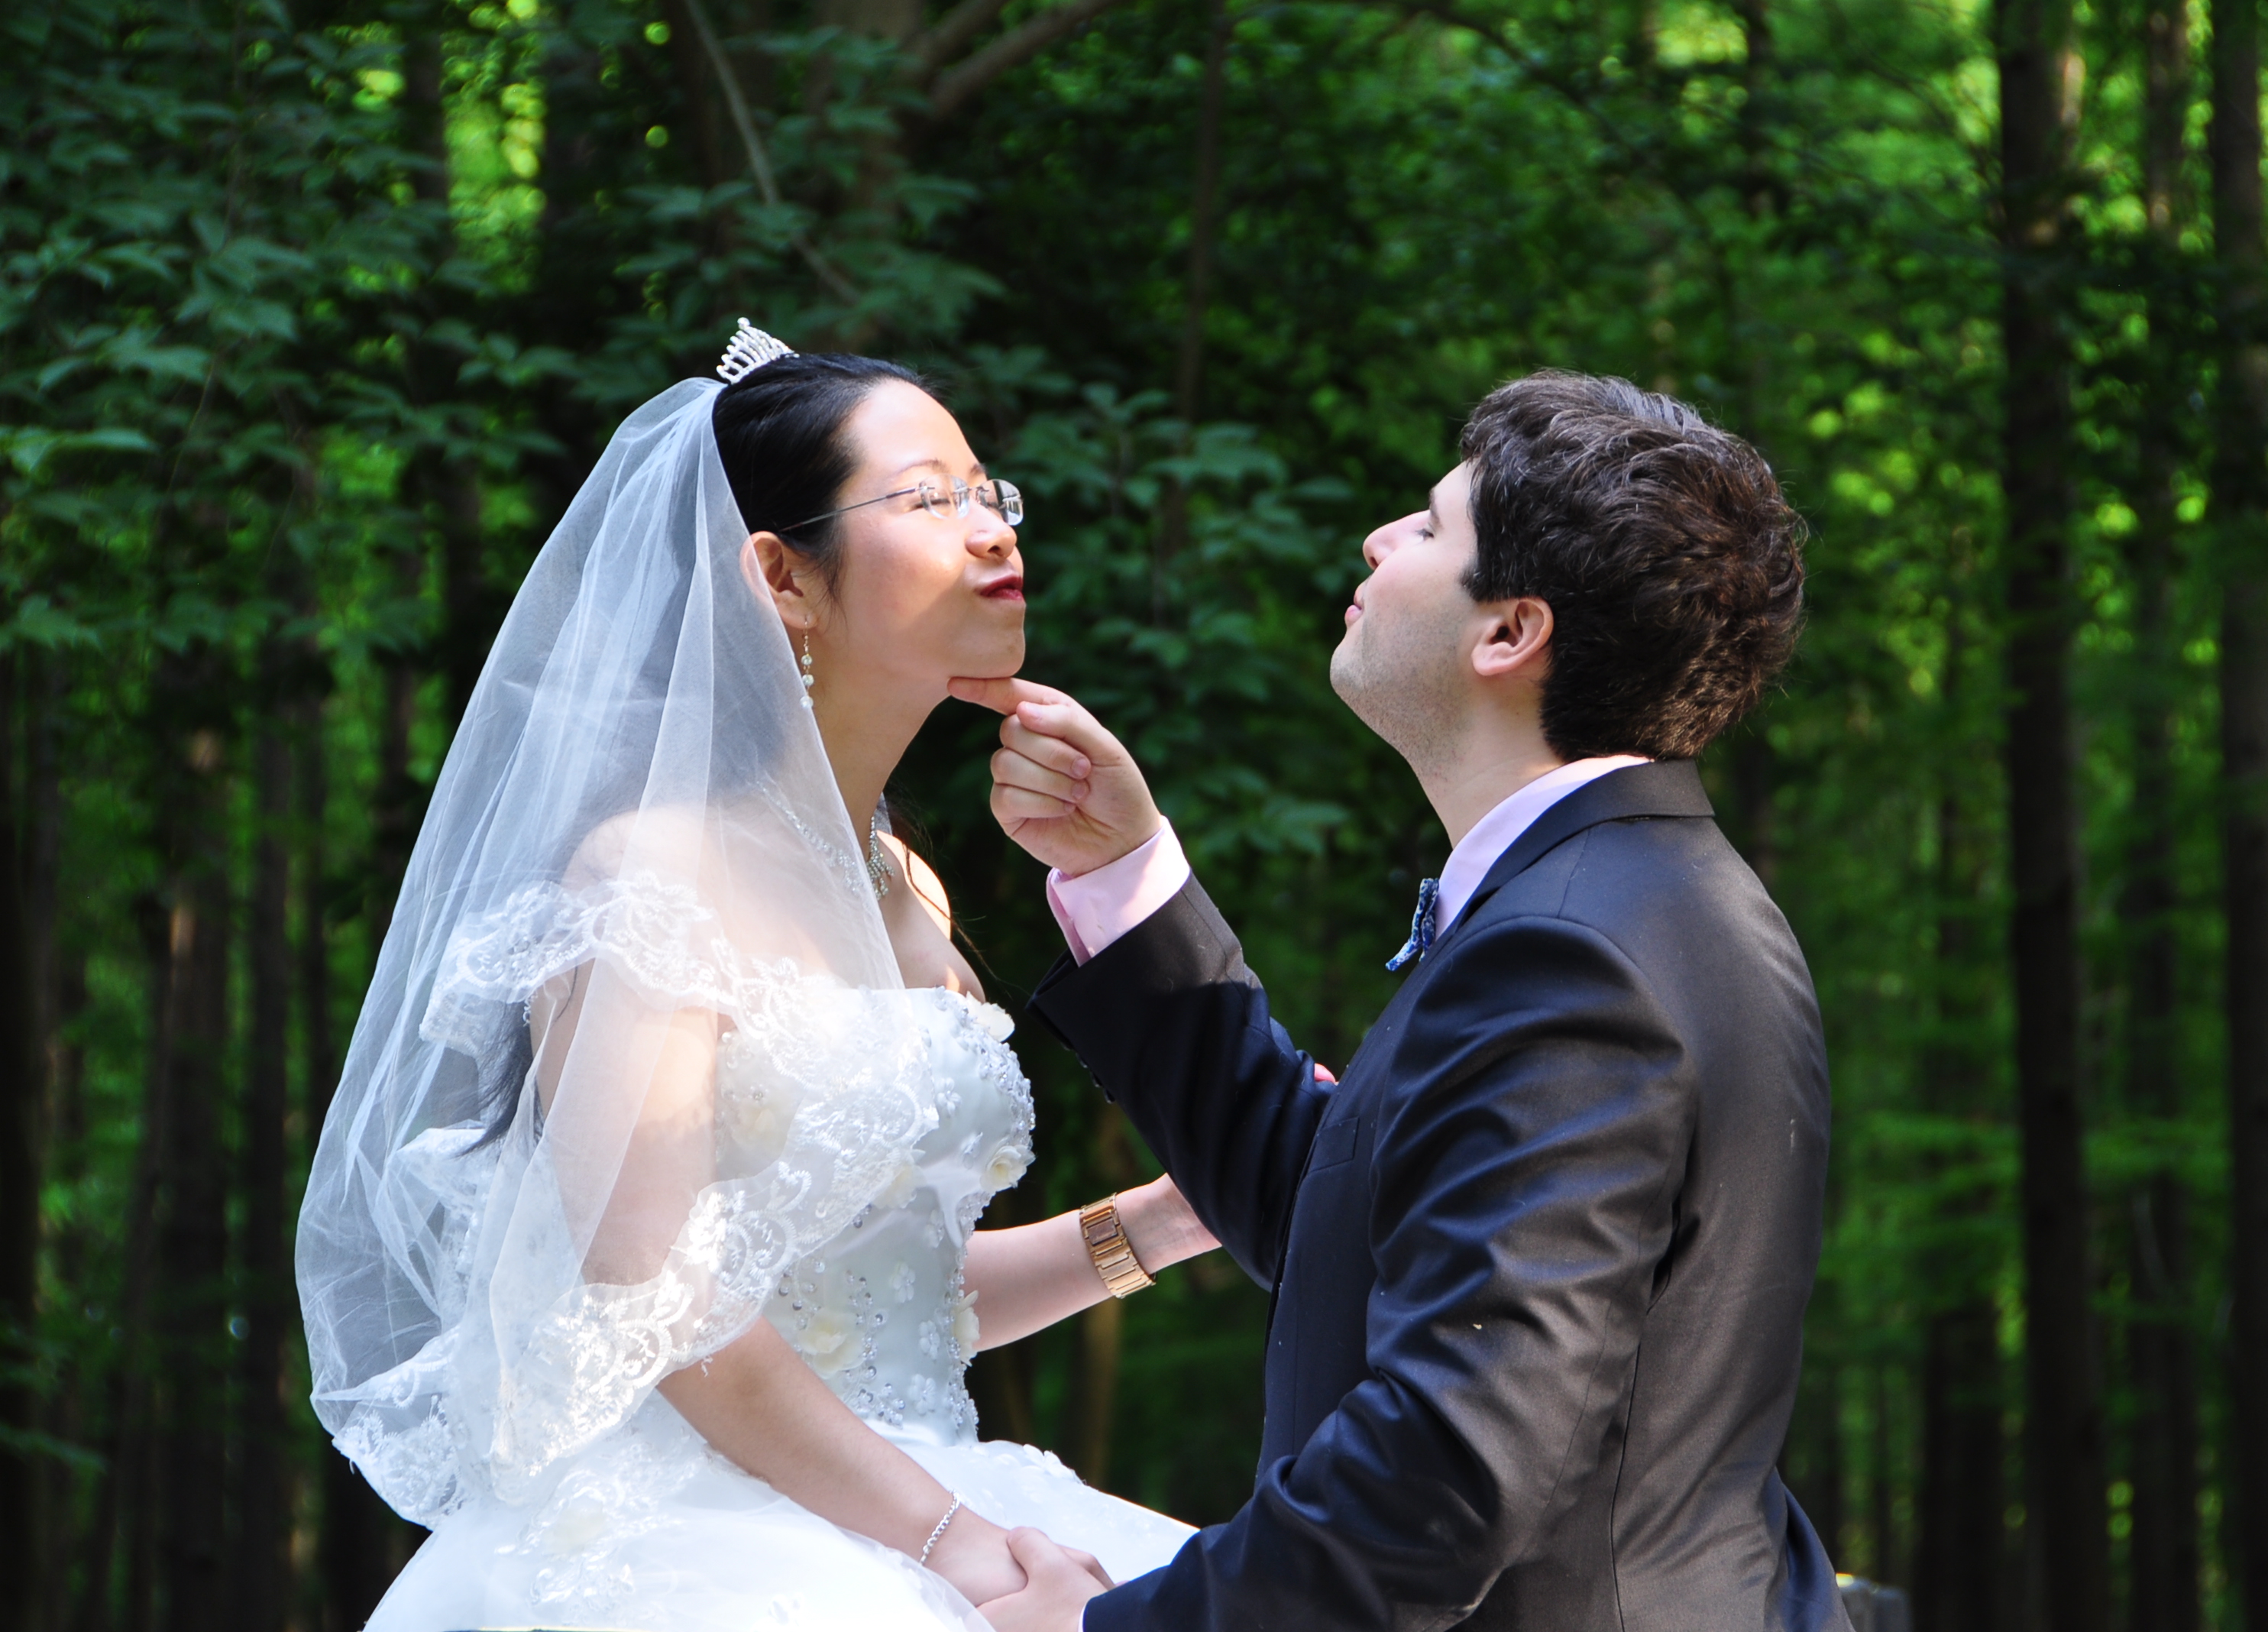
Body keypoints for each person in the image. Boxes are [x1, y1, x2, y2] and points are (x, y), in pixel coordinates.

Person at [296, 322, 1217, 1632]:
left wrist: (1160, 1225)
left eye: (990, 493)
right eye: (928, 499)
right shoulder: (645, 880)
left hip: (911, 1485)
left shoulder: (910, 888)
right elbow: (659, 1298)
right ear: (783, 576)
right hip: (703, 1538)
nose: (992, 531)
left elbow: (887, 1295)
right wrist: (955, 1549)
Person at [956, 371, 1849, 1631]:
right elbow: (1346, 1225)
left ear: (1509, 633)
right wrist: (1126, 877)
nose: (1379, 541)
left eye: (1429, 526)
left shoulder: (1571, 954)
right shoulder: (1648, 901)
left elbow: (1445, 1471)